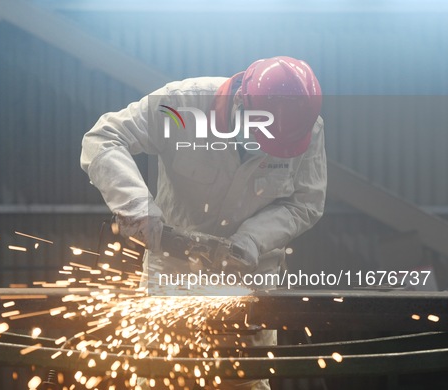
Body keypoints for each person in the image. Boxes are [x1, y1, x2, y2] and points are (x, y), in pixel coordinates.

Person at [81, 56, 326, 389]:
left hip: (249, 285)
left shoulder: (304, 128)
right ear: (241, 102)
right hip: (173, 280)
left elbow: (306, 203)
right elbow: (103, 138)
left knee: (244, 383)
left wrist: (253, 239)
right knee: (161, 379)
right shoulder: (182, 105)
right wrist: (137, 206)